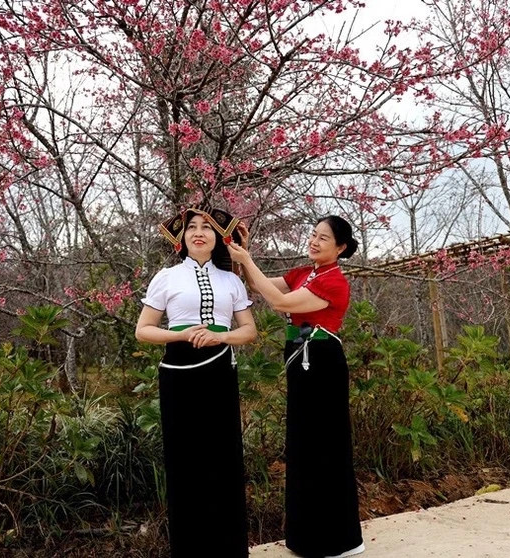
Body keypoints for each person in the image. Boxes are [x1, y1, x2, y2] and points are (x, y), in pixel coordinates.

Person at [228, 215, 364, 558]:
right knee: (303, 445)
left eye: (324, 238)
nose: (315, 241)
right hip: (301, 363)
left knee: (325, 445)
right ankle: (305, 538)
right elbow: (260, 286)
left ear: (341, 247)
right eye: (313, 235)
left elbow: (281, 303)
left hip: (322, 364)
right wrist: (243, 253)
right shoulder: (305, 273)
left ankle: (337, 541)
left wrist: (248, 261)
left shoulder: (334, 282)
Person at [135, 205, 257, 558]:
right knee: (185, 459)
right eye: (192, 227)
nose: (199, 232)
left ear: (218, 237)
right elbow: (143, 330)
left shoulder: (231, 280)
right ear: (182, 237)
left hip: (219, 367)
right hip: (179, 371)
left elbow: (249, 330)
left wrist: (222, 338)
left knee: (223, 456)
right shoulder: (167, 277)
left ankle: (228, 550)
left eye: (206, 227)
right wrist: (182, 334)